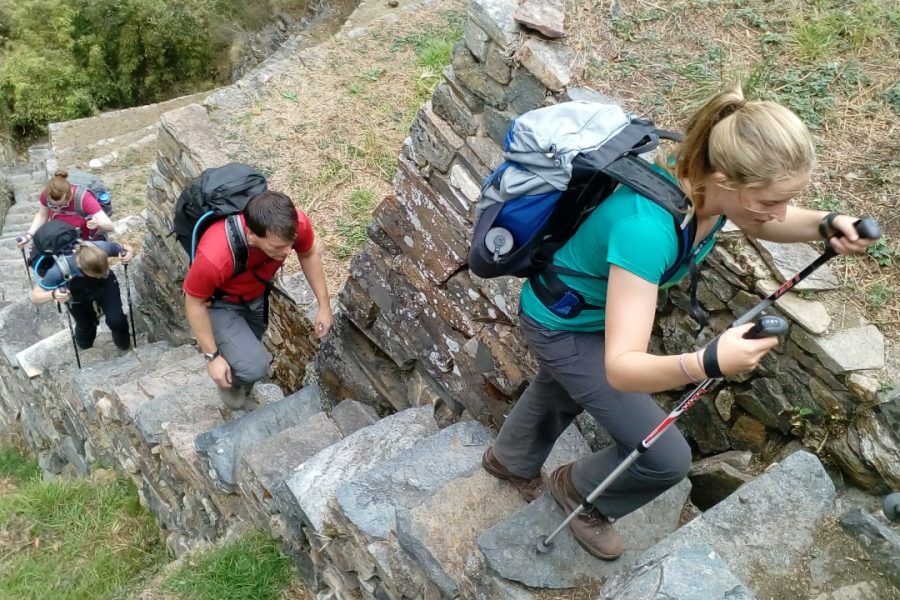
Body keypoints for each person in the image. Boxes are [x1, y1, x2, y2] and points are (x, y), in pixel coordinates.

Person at [481, 86, 876, 561]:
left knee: (565, 387)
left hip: (584, 308)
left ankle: (509, 460)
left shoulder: (700, 185)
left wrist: (827, 223)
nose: (778, 213)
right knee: (665, 458)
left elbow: (761, 222)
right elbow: (623, 369)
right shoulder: (647, 229)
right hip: (563, 326)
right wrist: (708, 361)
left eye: (786, 201)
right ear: (726, 179)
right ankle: (579, 492)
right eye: (771, 200)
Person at [183, 190, 332, 410]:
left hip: (256, 295)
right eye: (278, 247)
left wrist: (324, 306)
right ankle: (231, 392)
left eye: (290, 243)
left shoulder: (295, 225)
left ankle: (239, 376)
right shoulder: (215, 256)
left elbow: (308, 255)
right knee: (255, 366)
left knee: (248, 352)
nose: (288, 251)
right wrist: (212, 357)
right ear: (252, 235)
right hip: (220, 304)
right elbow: (193, 302)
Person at [30, 240, 135, 351]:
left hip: (104, 284)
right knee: (86, 326)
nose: (99, 275)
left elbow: (126, 247)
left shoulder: (101, 247)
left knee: (117, 320)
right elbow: (34, 297)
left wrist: (129, 254)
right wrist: (53, 294)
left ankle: (125, 347)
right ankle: (85, 349)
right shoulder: (59, 270)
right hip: (76, 294)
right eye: (96, 275)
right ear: (81, 267)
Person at [15, 170, 115, 250]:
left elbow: (109, 226)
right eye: (54, 205)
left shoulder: (84, 198)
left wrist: (98, 224)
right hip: (63, 237)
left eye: (62, 204)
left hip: (86, 240)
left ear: (70, 195)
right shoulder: (46, 195)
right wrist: (28, 236)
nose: (58, 208)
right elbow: (42, 215)